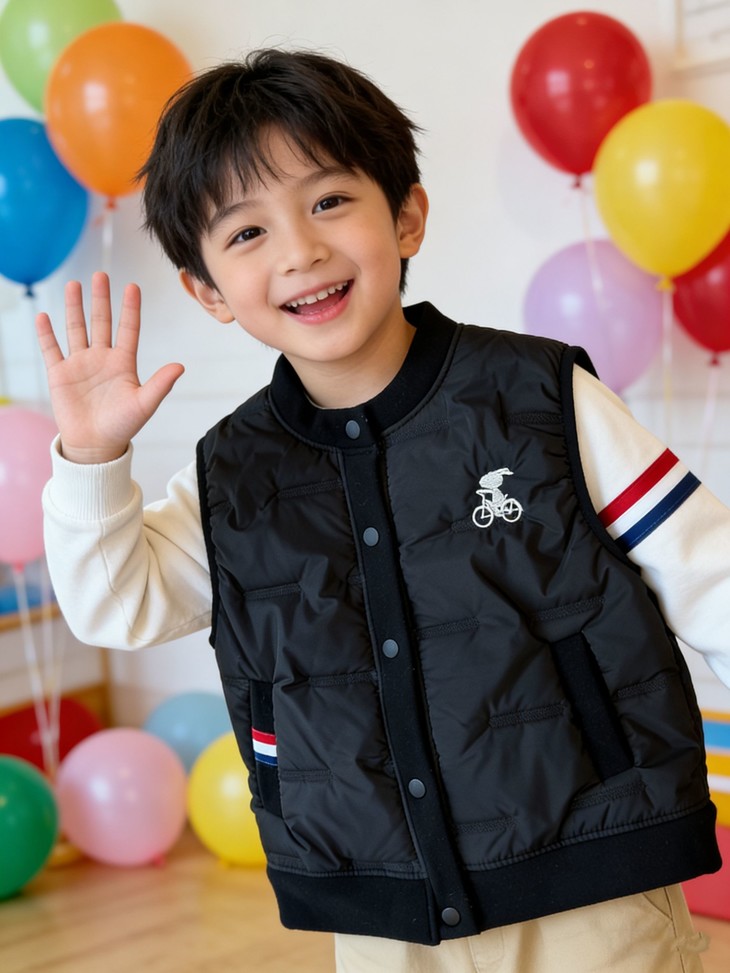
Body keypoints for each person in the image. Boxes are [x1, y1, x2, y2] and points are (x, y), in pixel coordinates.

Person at [36, 49, 729, 972]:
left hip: (592, 882)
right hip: (378, 905)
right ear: (206, 290)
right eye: (247, 232)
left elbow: (712, 576)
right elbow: (115, 607)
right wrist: (92, 458)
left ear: (406, 216)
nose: (300, 250)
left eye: (329, 200)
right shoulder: (231, 472)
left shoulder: (540, 398)